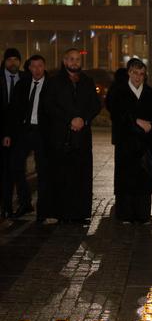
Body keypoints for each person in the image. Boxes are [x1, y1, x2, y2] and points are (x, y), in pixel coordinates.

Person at [43, 48, 101, 224]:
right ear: (64, 60)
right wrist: (70, 120)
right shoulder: (53, 82)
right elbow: (49, 106)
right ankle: (60, 212)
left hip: (82, 137)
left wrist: (84, 119)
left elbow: (95, 104)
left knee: (81, 177)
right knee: (61, 176)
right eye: (71, 59)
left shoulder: (87, 81)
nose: (74, 62)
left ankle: (80, 213)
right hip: (61, 137)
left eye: (77, 59)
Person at [107, 58, 152, 223]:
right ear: (129, 73)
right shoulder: (118, 92)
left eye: (141, 74)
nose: (138, 77)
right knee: (125, 178)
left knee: (145, 179)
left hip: (146, 144)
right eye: (135, 73)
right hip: (126, 142)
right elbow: (116, 114)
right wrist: (136, 121)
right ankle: (125, 214)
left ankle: (143, 214)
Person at [5, 55, 49, 220]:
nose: (37, 69)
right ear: (28, 68)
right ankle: (25, 202)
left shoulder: (51, 86)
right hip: (23, 131)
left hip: (42, 132)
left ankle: (43, 208)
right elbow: (12, 111)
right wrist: (8, 133)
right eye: (33, 66)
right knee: (15, 165)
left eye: (40, 66)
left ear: (44, 67)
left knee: (43, 170)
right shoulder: (22, 85)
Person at [1, 48, 27, 218]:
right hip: (2, 132)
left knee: (18, 169)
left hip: (20, 133)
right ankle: (6, 206)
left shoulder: (25, 78)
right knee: (4, 171)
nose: (13, 63)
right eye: (9, 59)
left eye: (16, 59)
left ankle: (24, 204)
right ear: (4, 61)